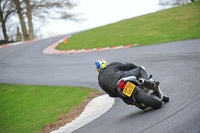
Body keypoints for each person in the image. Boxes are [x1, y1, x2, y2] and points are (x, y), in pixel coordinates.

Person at [95, 59, 165, 107]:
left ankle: (137, 103)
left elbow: (110, 94)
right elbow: (127, 65)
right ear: (105, 63)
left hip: (118, 91)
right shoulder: (110, 66)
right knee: (140, 69)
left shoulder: (100, 81)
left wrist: (119, 95)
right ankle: (150, 83)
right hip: (122, 78)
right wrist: (135, 67)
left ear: (98, 69)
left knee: (128, 101)